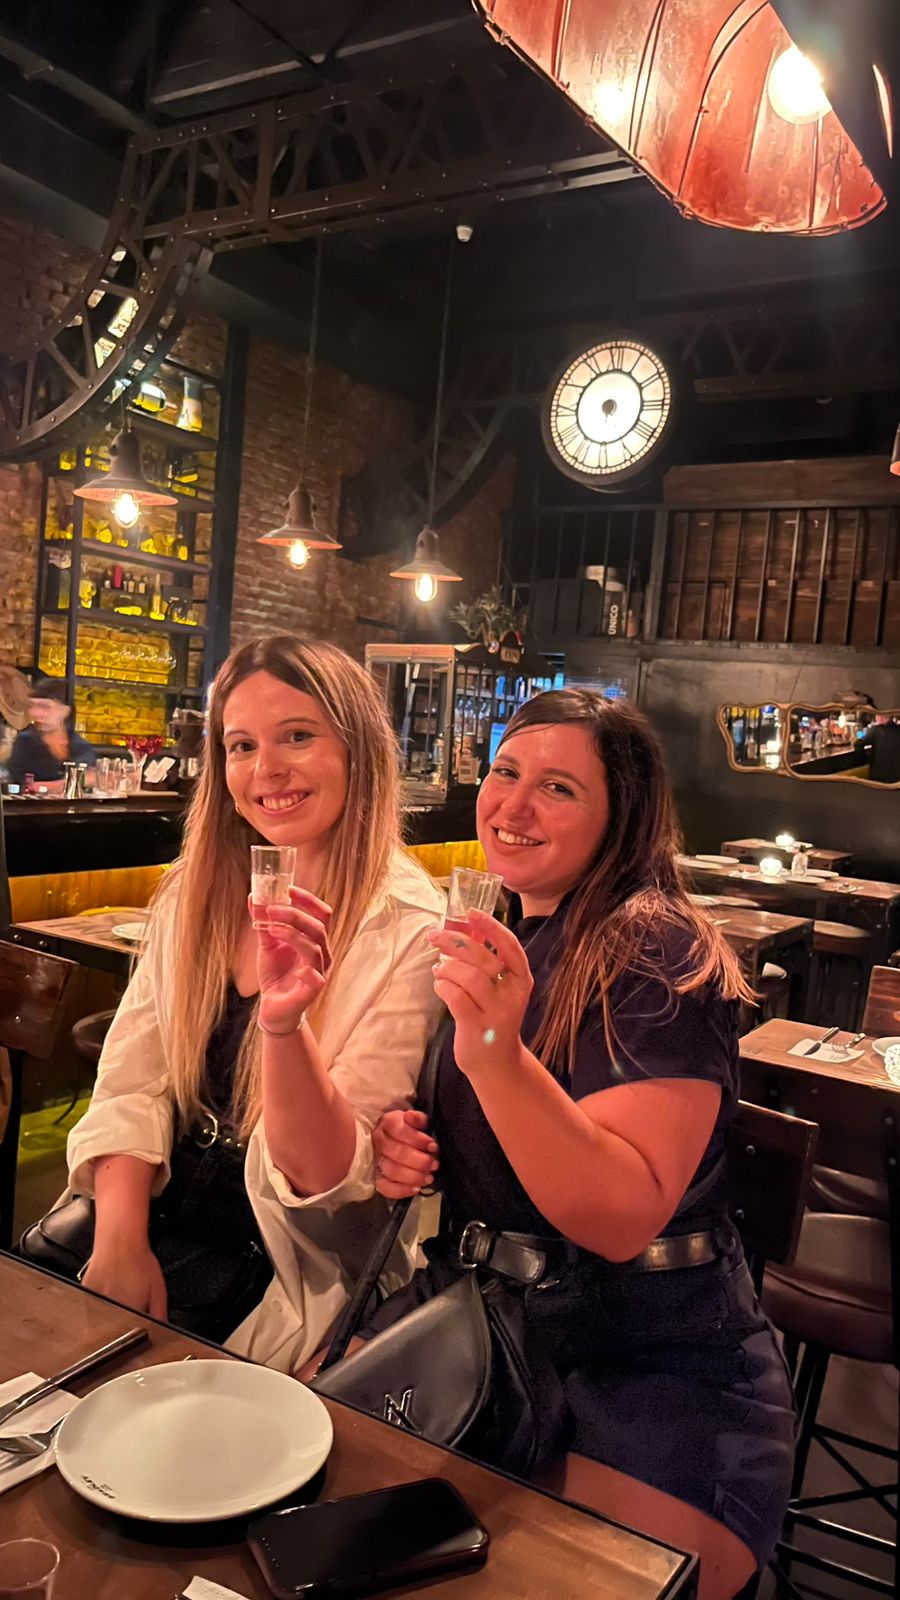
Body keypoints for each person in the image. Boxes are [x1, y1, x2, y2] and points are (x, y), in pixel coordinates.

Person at [370, 689, 795, 1600]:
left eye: (557, 788)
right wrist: (406, 1142)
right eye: (504, 773)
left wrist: (494, 1062)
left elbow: (621, 1213)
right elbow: (497, 1138)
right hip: (486, 1333)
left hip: (648, 1364)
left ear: (621, 820)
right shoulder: (515, 928)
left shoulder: (656, 948)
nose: (512, 807)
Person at [64, 636, 444, 1368]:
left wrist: (282, 1025)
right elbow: (132, 1079)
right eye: (241, 746)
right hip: (144, 1212)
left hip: (282, 1267)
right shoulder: (196, 891)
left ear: (357, 749)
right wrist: (119, 1238)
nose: (266, 770)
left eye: (297, 737)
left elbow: (329, 1181)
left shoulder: (409, 925)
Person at [7, 678, 95, 789]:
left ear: (65, 711)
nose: (36, 713)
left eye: (45, 707)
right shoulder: (25, 742)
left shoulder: (80, 745)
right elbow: (26, 788)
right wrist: (79, 781)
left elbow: (94, 777)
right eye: (32, 705)